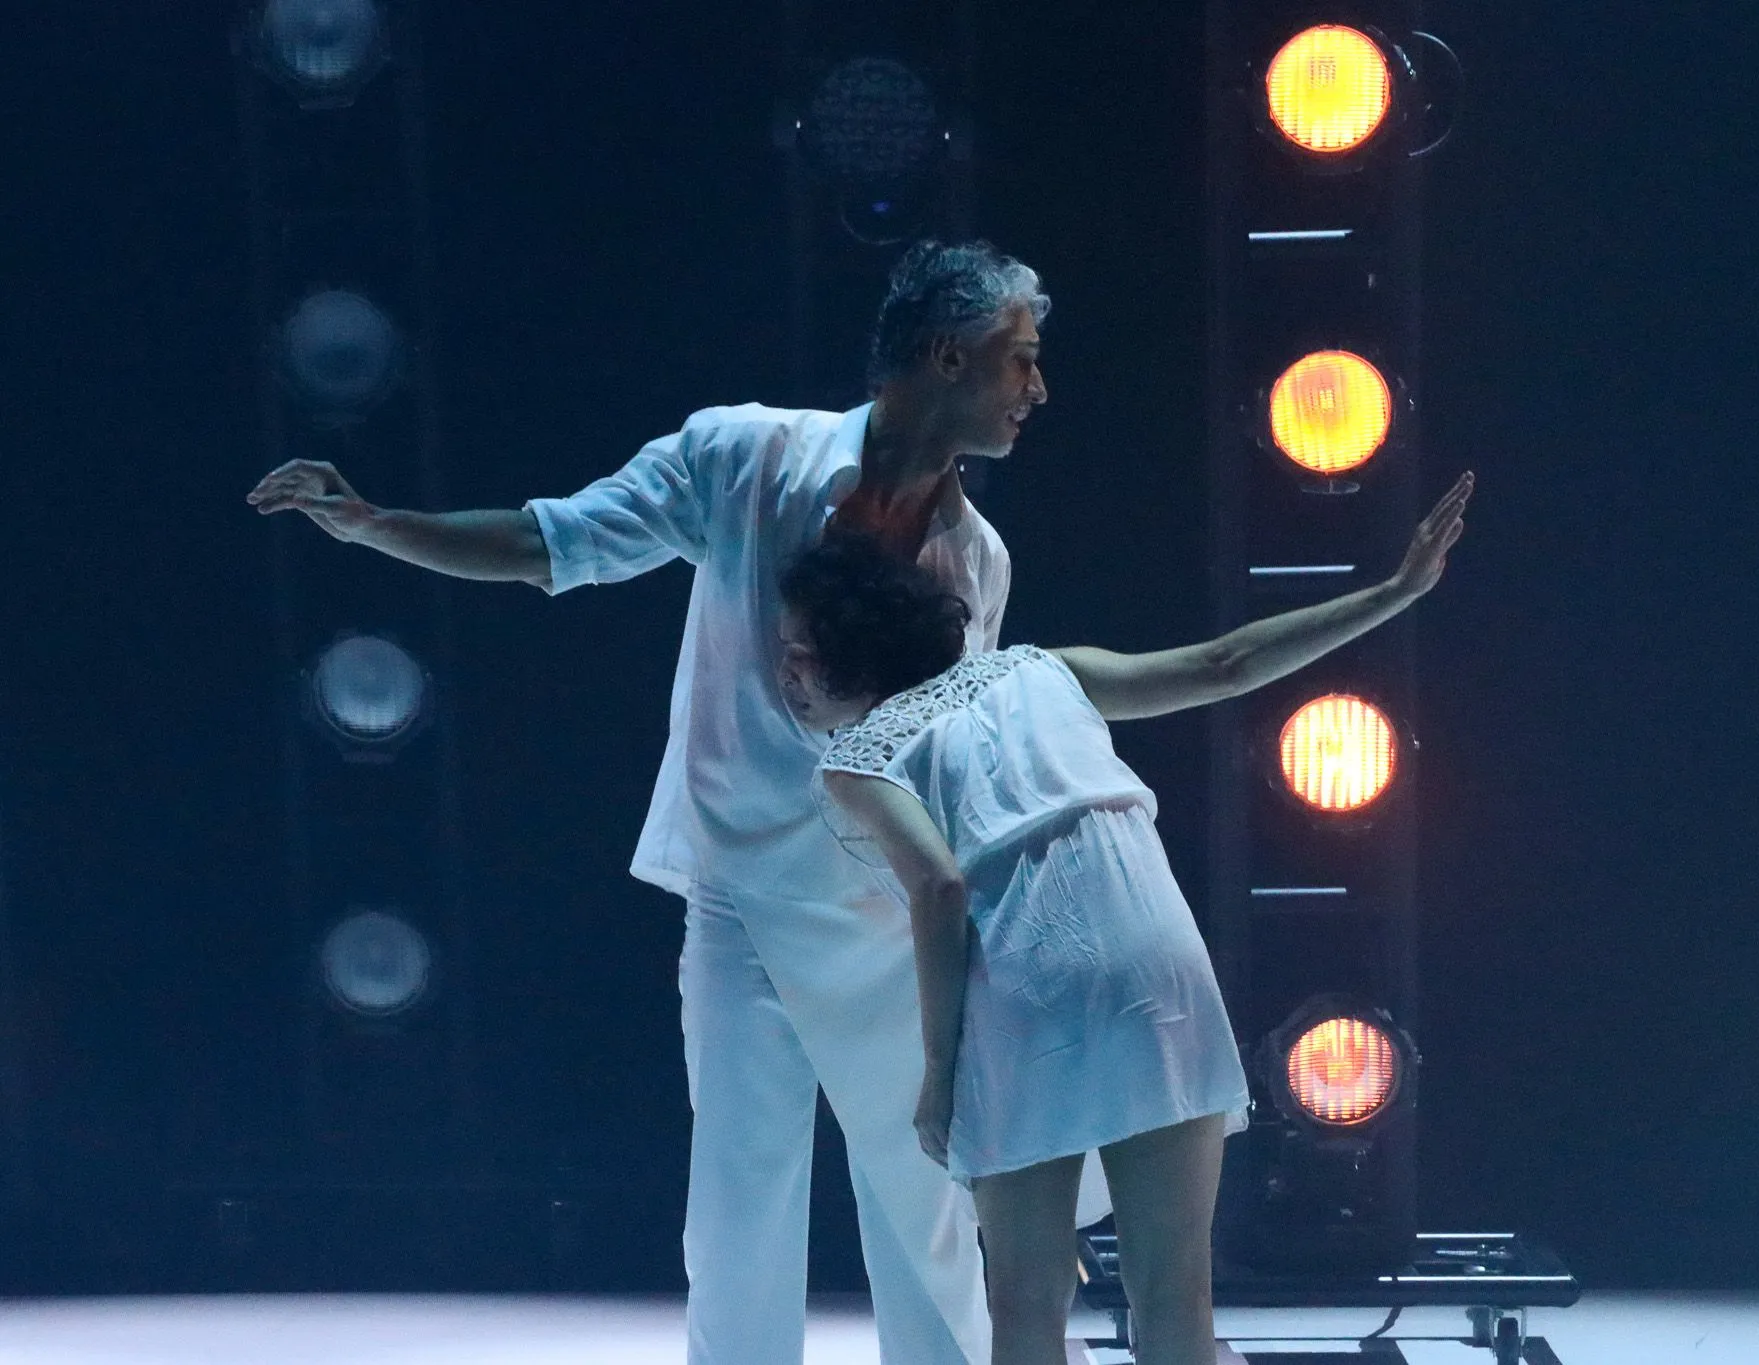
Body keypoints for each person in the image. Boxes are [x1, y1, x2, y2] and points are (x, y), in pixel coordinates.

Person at [245, 240, 1053, 1365]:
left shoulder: (974, 559)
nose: (1036, 390)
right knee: (734, 1220)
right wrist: (381, 524)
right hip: (739, 902)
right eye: (1019, 361)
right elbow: (550, 542)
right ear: (942, 355)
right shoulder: (742, 454)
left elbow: (950, 762)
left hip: (883, 920)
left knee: (920, 1214)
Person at [775, 471, 1472, 1365]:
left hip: (1030, 992)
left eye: (798, 649)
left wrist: (941, 1073)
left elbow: (940, 887)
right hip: (1160, 964)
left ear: (852, 650)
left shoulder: (858, 757)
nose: (784, 671)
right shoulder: (1041, 670)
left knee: (1025, 1303)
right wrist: (1390, 593)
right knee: (1174, 1296)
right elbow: (1225, 664)